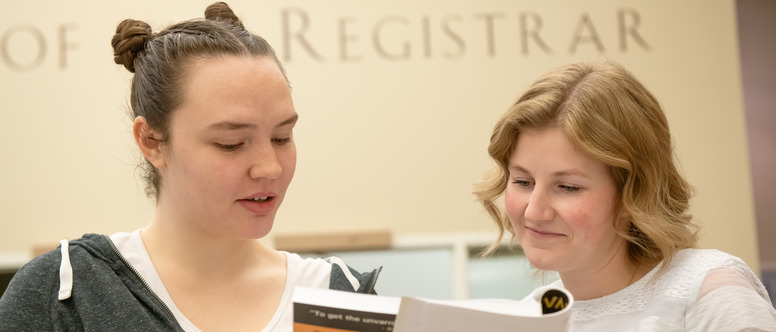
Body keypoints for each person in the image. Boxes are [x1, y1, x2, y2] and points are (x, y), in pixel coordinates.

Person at [0, 3, 379, 331]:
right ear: (151, 141)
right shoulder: (67, 291)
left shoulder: (335, 296)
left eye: (282, 137)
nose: (270, 168)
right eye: (230, 144)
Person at [474, 59, 776, 331]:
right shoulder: (530, 317)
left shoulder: (707, 291)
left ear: (635, 193)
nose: (534, 212)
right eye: (523, 181)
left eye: (568, 187)